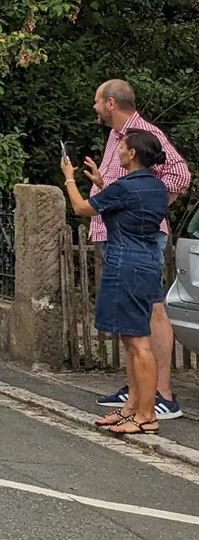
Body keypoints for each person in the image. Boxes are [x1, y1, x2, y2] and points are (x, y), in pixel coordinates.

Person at [86, 80, 189, 420]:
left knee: (152, 310)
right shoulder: (117, 137)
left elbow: (180, 174)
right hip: (118, 234)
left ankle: (162, 394)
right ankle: (139, 391)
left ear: (111, 103)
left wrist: (152, 204)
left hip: (138, 237)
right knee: (133, 315)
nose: (95, 108)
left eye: (98, 102)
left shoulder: (142, 133)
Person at [63, 130, 170, 435]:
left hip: (126, 264)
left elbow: (82, 209)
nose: (119, 152)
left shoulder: (125, 187)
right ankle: (131, 408)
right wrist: (101, 184)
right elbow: (127, 205)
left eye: (122, 148)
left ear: (133, 154)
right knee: (130, 340)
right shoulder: (155, 187)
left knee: (138, 343)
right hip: (146, 262)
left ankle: (147, 415)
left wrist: (69, 178)